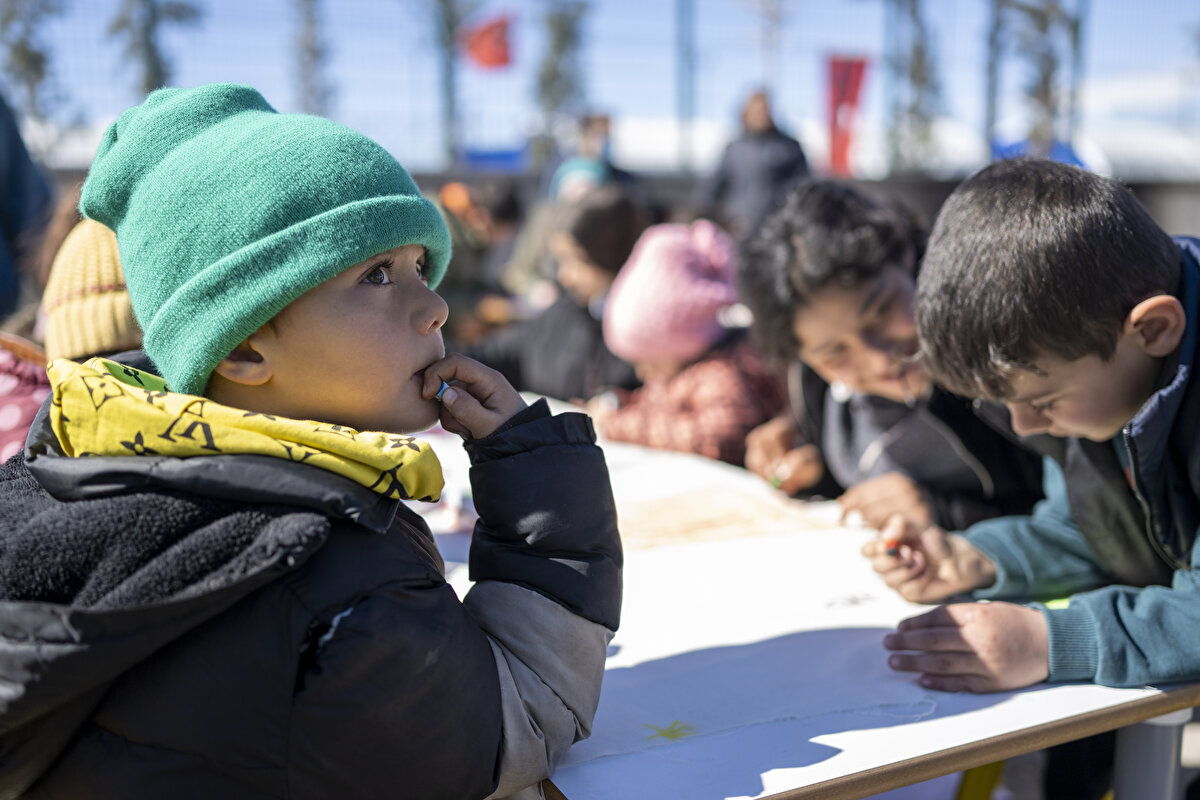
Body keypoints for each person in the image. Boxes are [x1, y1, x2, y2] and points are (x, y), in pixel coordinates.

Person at [0, 83, 622, 800]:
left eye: (421, 266)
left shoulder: (79, 464)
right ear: (241, 351)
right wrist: (540, 481)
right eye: (377, 275)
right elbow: (513, 727)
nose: (437, 305)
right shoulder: (341, 588)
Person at [867, 158, 1200, 698]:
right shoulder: (1096, 373)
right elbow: (1084, 534)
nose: (1024, 425)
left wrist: (1053, 640)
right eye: (1007, 405)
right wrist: (975, 557)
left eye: (1043, 401)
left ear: (1154, 330)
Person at [738, 179, 1044, 531]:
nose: (878, 359)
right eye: (834, 354)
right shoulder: (816, 391)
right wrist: (813, 467)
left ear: (906, 257)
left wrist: (942, 513)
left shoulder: (1002, 370)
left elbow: (1071, 515)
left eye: (882, 311)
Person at [587, 219, 786, 465]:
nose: (641, 372)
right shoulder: (676, 374)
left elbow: (718, 438)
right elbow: (653, 403)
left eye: (649, 361)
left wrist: (615, 424)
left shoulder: (721, 375)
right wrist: (617, 403)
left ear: (677, 343)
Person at [465, 183, 646, 402]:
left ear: (609, 256)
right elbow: (502, 353)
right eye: (560, 261)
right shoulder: (566, 311)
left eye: (576, 261)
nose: (564, 276)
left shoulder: (647, 342)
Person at [693, 89, 810, 241]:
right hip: (738, 226)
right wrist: (700, 214)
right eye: (756, 110)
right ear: (746, 112)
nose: (761, 114)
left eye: (765, 110)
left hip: (775, 228)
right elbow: (713, 185)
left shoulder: (789, 147)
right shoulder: (734, 148)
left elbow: (802, 185)